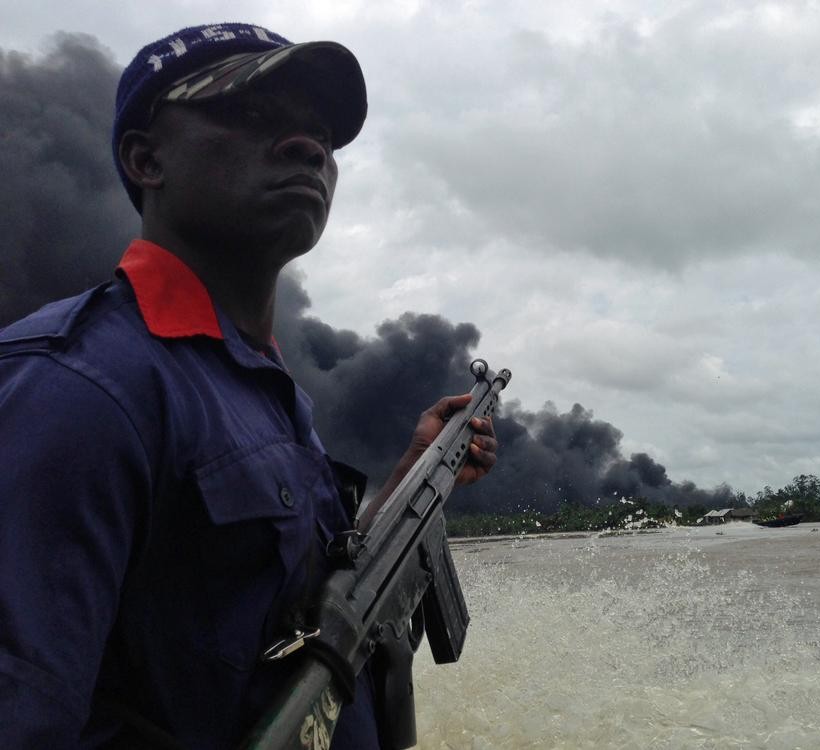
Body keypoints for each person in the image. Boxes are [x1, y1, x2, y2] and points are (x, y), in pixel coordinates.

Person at [0, 22, 497, 749]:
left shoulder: (261, 389)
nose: (310, 147)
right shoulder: (74, 389)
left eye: (320, 133)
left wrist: (413, 479)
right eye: (251, 114)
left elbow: (291, 608)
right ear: (146, 159)